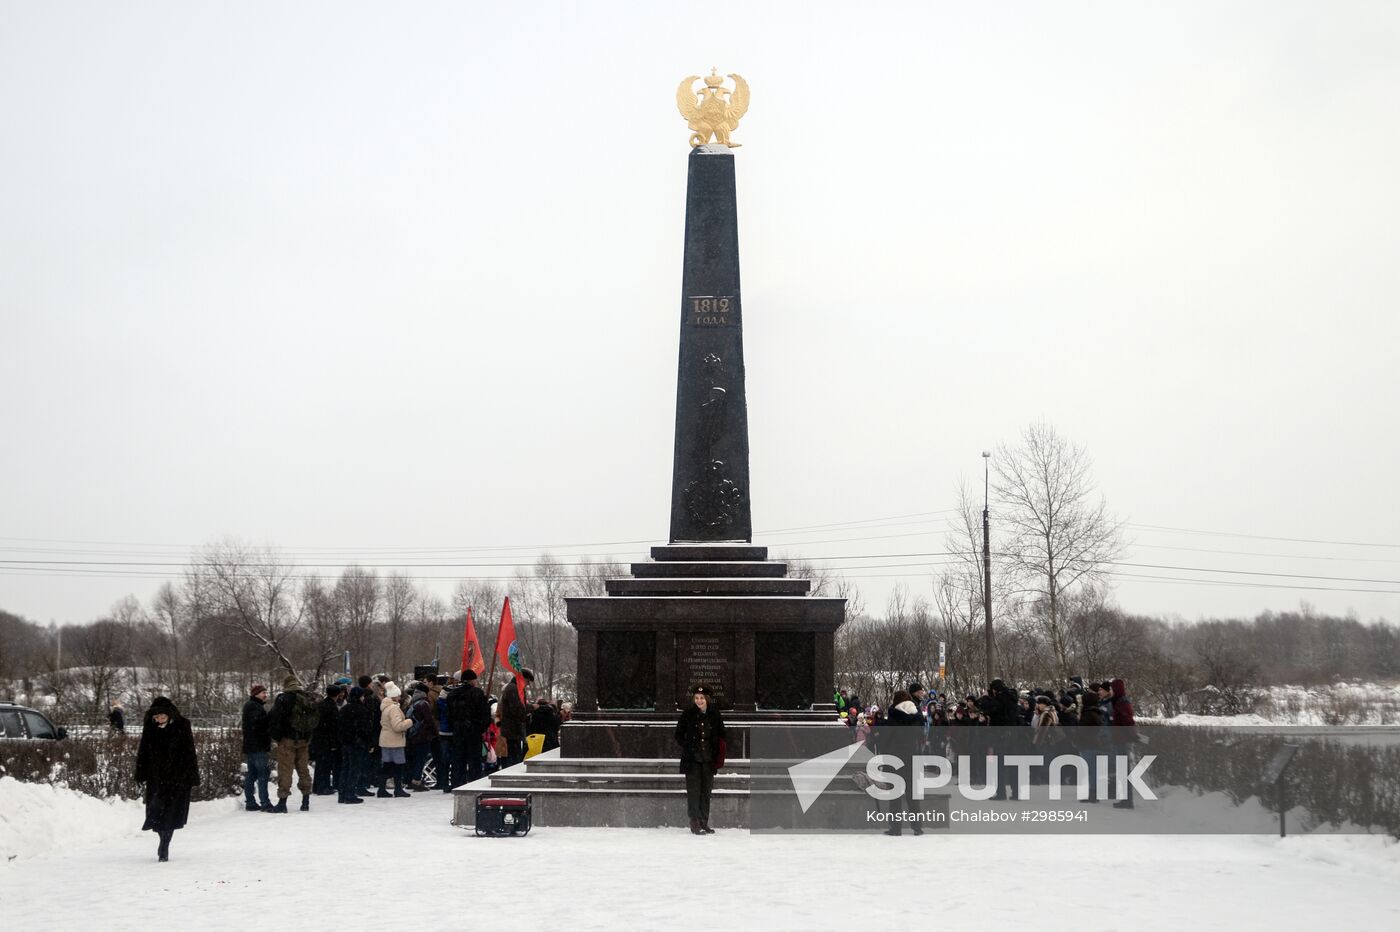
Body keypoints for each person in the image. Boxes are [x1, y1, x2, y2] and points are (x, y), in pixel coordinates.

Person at [134, 696, 199, 862]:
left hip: (178, 778)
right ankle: (162, 838)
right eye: (156, 717)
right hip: (156, 777)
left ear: (169, 714)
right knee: (156, 813)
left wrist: (191, 776)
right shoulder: (150, 727)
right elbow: (143, 750)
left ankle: (165, 845)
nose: (159, 720)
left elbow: (190, 751)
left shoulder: (183, 725)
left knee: (171, 814)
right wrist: (140, 773)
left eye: (162, 717)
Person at [675, 683, 725, 835]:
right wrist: (688, 746)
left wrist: (717, 753)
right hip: (693, 760)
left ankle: (704, 822)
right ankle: (694, 822)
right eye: (696, 698)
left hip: (708, 760)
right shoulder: (688, 714)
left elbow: (722, 734)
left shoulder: (714, 715)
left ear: (707, 699)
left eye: (702, 698)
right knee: (694, 792)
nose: (699, 701)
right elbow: (678, 734)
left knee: (705, 792)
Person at [267, 674, 318, 812]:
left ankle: (282, 803)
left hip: (287, 740)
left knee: (285, 770)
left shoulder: (283, 699)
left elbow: (275, 719)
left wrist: (278, 737)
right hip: (304, 740)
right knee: (303, 770)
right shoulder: (307, 698)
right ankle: (305, 801)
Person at [879, 690, 925, 835]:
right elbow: (921, 736)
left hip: (895, 758)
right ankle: (917, 827)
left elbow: (886, 737)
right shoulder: (917, 716)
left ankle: (896, 828)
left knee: (895, 795)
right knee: (912, 794)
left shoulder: (893, 715)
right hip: (912, 757)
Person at [377, 681, 413, 797]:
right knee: (398, 766)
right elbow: (397, 726)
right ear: (394, 696)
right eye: (398, 695)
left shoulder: (385, 707)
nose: (400, 697)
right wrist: (409, 721)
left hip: (385, 740)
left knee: (386, 765)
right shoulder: (393, 709)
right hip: (395, 741)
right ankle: (398, 789)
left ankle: (381, 789)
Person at [241, 684, 273, 812]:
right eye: (262, 693)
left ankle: (250, 802)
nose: (265, 695)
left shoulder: (252, 706)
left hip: (251, 746)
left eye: (266, 692)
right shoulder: (254, 707)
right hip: (258, 746)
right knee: (262, 774)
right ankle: (265, 803)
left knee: (252, 774)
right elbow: (259, 724)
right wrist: (270, 716)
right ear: (255, 695)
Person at [336, 687, 371, 804]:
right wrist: (366, 741)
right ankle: (350, 794)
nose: (363, 698)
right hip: (357, 743)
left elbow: (339, 727)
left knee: (345, 768)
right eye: (362, 696)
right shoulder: (362, 710)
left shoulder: (344, 709)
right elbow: (365, 729)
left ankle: (342, 794)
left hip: (346, 743)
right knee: (354, 769)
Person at [1109, 677, 1138, 809]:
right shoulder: (1119, 702)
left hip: (1122, 740)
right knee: (1122, 770)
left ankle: (1127, 800)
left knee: (1124, 770)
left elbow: (1127, 722)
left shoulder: (1122, 703)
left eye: (1112, 689)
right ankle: (1125, 799)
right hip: (1120, 739)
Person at [498, 668, 534, 768]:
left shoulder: (515, 689)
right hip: (512, 730)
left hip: (514, 730)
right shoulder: (513, 689)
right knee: (513, 758)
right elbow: (517, 709)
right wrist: (531, 708)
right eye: (527, 681)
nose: (528, 685)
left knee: (515, 756)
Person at [311, 684, 343, 796]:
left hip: (319, 738)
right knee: (325, 764)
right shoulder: (331, 707)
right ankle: (323, 787)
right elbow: (333, 726)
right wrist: (334, 742)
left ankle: (317, 786)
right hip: (326, 740)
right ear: (337, 694)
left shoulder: (321, 705)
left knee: (320, 764)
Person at [405, 682, 439, 790]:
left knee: (413, 759)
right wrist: (435, 733)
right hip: (423, 736)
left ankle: (410, 780)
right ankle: (417, 781)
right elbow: (429, 721)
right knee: (420, 759)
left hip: (413, 735)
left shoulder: (412, 702)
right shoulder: (423, 704)